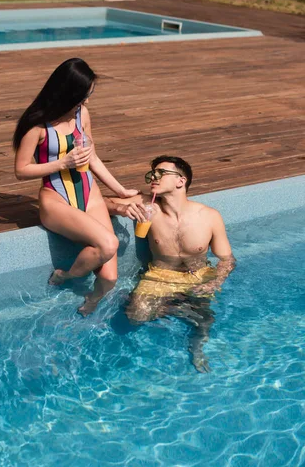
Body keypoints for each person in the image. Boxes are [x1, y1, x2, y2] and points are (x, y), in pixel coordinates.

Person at [13, 58, 138, 316]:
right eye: (85, 95)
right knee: (108, 244)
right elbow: (21, 170)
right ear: (67, 92)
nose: (88, 100)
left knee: (110, 279)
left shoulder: (82, 113)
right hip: (54, 198)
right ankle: (66, 275)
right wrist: (63, 163)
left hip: (89, 192)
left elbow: (92, 156)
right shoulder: (36, 126)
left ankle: (91, 301)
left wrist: (121, 191)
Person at [105, 156, 235, 372]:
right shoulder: (147, 205)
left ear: (181, 181)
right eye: (151, 174)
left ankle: (196, 349)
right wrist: (120, 208)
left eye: (161, 173)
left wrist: (215, 282)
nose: (153, 178)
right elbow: (98, 203)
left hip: (198, 274)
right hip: (160, 275)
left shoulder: (210, 216)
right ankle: (179, 306)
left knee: (204, 323)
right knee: (135, 317)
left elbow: (227, 259)